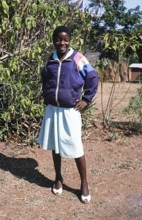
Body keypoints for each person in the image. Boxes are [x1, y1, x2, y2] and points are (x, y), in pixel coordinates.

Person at [37, 26, 98, 203]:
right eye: (58, 39)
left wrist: (86, 99)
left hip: (70, 110)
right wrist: (46, 94)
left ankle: (84, 183)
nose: (62, 43)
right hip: (52, 109)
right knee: (56, 146)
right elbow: (45, 77)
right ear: (53, 40)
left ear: (70, 40)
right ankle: (58, 178)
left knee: (75, 146)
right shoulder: (51, 58)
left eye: (65, 39)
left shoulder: (77, 58)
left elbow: (92, 77)